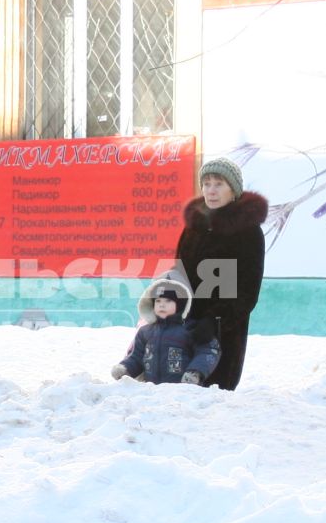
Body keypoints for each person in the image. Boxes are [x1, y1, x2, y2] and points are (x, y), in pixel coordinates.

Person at [175, 158, 267, 389]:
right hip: (186, 328)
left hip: (223, 334)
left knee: (215, 400)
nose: (211, 190)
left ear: (233, 190)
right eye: (206, 184)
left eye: (218, 184)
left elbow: (247, 291)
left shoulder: (248, 232)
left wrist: (215, 320)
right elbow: (178, 276)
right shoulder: (192, 228)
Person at [111, 274, 221, 385]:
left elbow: (207, 351)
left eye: (168, 301)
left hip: (182, 391)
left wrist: (195, 372)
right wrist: (125, 370)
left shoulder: (190, 329)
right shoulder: (145, 331)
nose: (162, 305)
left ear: (180, 305)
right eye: (158, 301)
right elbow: (136, 357)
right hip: (152, 390)